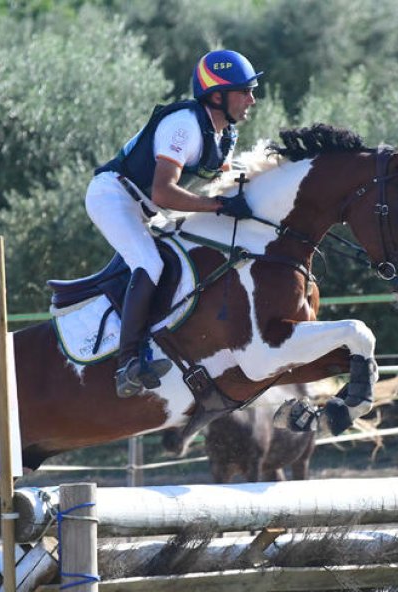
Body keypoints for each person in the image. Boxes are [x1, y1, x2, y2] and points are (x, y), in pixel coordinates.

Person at [90, 49, 263, 398]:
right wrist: (218, 206)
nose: (252, 99)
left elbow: (225, 179)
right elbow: (165, 192)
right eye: (244, 90)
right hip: (113, 196)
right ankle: (128, 363)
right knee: (149, 262)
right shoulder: (183, 126)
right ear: (217, 95)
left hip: (147, 208)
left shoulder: (225, 135)